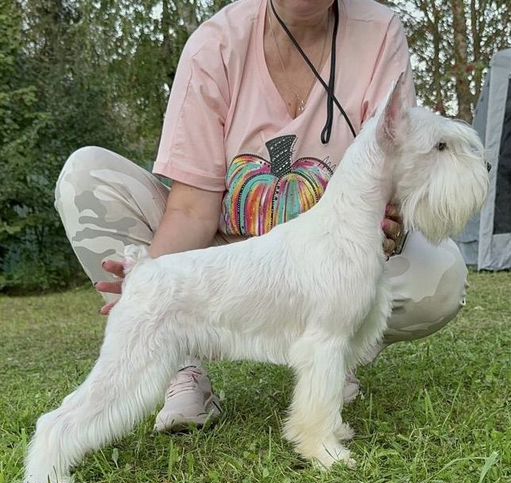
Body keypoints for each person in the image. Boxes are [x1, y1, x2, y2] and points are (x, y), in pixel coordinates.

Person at [55, 0, 467, 432]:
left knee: (440, 273)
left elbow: (399, 157)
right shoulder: (215, 44)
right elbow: (192, 207)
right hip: (225, 243)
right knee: (86, 174)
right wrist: (152, 289)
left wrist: (392, 216)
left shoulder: (379, 30)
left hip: (329, 255)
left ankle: (332, 346)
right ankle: (182, 365)